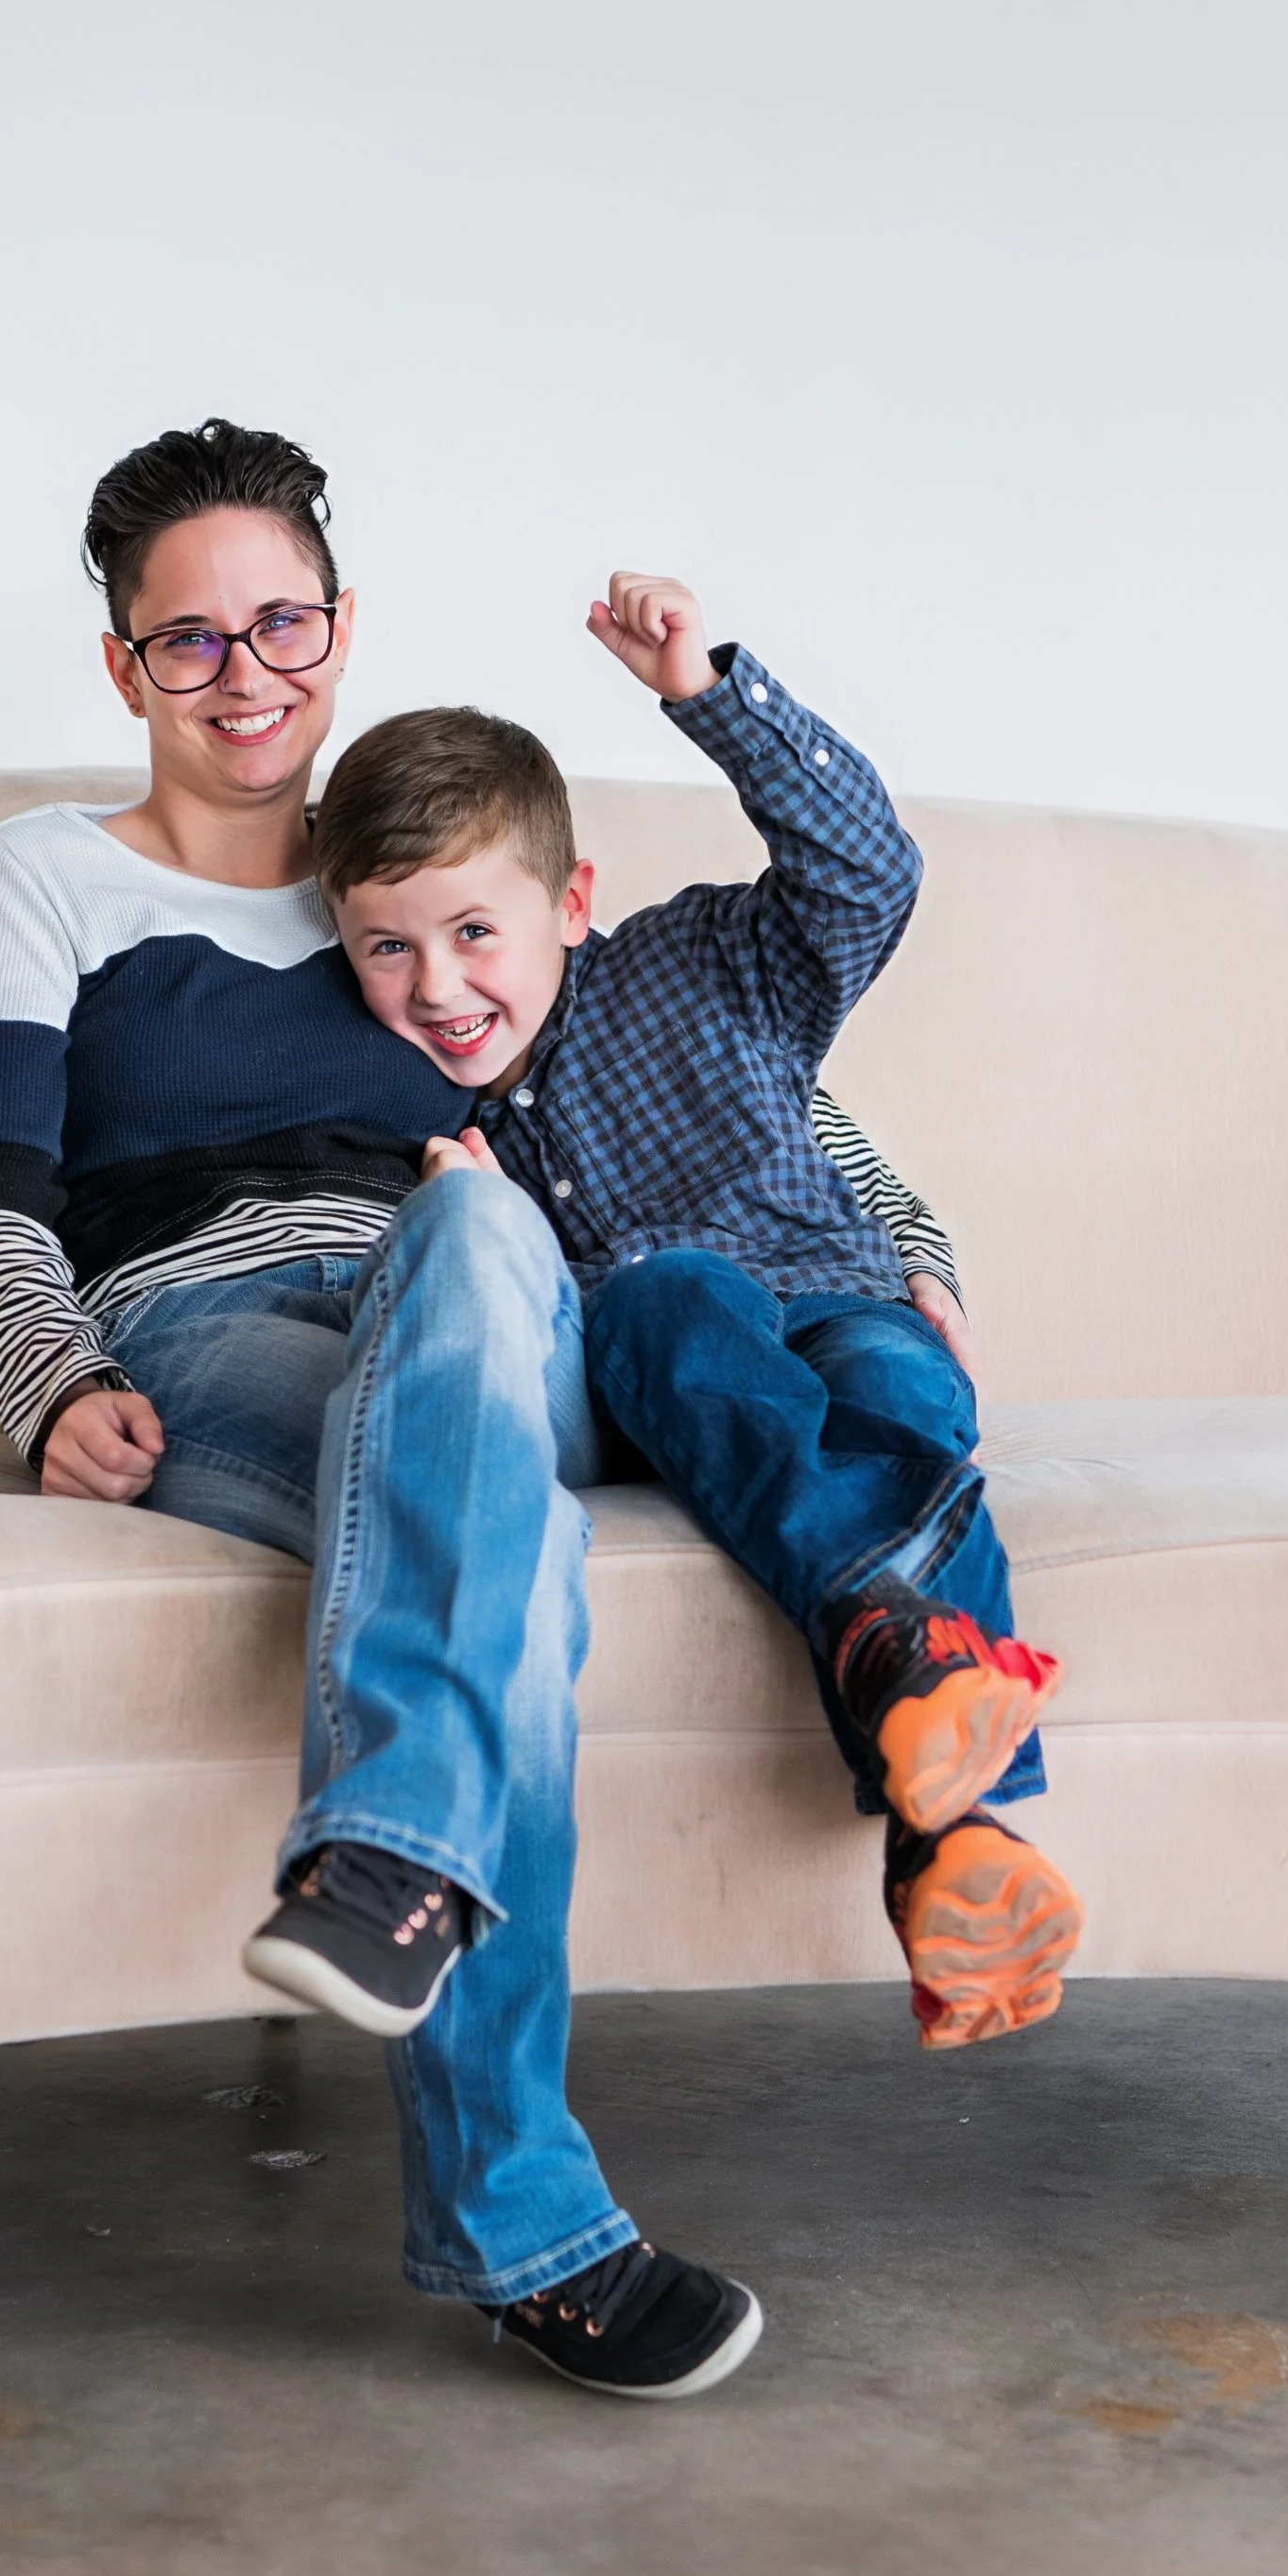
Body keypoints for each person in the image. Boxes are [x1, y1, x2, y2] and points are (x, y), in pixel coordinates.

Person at [0, 421, 969, 2397]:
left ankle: (390, 1861)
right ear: (125, 666)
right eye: (187, 638)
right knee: (504, 1555)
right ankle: (525, 2223)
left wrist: (908, 1245)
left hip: (488, 1315)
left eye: (280, 624)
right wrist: (44, 1376)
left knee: (480, 1231)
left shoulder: (411, 874)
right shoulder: (42, 877)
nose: (242, 673)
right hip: (213, 1328)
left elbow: (731, 1084)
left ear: (340, 625)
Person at [296, 572, 1082, 2051]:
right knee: (668, 1299)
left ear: (571, 902)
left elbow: (869, 872)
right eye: (387, 947)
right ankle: (938, 1775)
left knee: (909, 1409)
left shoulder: (706, 962)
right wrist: (468, 1219)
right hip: (676, 1351)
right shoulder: (411, 1116)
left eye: (475, 932)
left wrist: (709, 692)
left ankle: (948, 1832)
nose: (438, 986)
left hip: (844, 1295)